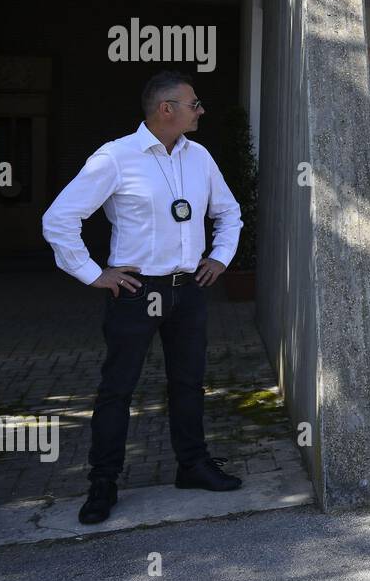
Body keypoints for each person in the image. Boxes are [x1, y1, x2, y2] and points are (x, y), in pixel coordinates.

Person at [40, 71, 243, 526]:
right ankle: (103, 482)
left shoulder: (200, 157)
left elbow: (229, 212)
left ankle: (192, 466)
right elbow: (59, 219)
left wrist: (221, 258)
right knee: (118, 389)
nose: (201, 109)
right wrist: (94, 274)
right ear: (165, 109)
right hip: (135, 292)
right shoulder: (115, 157)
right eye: (194, 103)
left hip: (188, 291)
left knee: (188, 383)